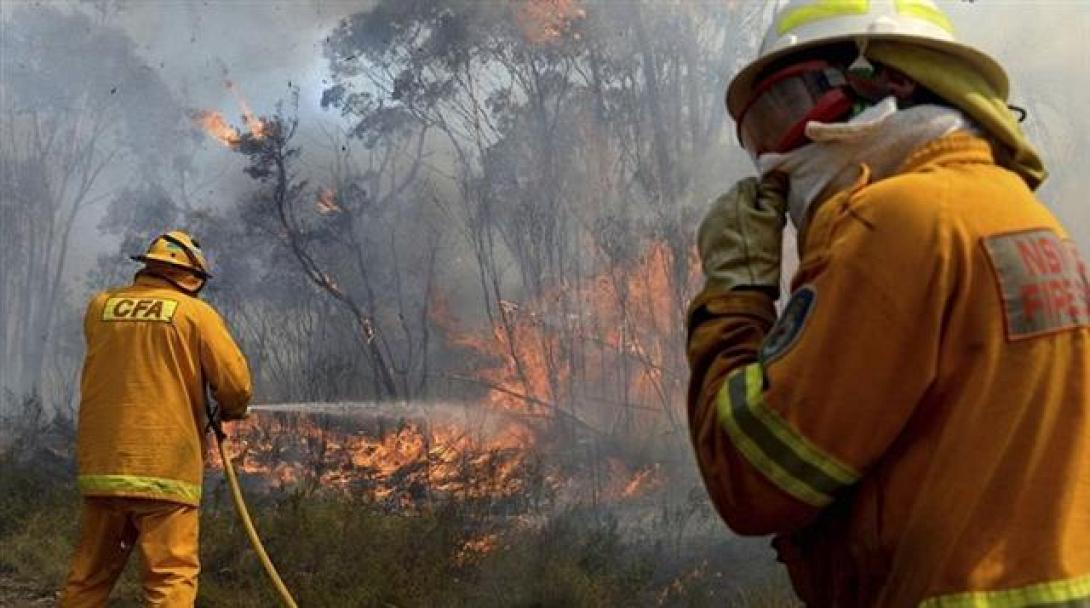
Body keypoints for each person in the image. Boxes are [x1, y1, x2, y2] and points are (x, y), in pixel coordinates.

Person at [686, 1, 1090, 606]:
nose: (774, 156)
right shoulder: (1020, 211)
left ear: (889, 81)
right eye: (760, 129)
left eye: (790, 107)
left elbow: (751, 479)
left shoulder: (893, 221)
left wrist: (735, 292)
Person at [61, 231, 252, 607]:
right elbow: (236, 384)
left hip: (104, 469)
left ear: (148, 267)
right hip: (166, 470)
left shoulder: (100, 306)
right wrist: (232, 409)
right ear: (192, 277)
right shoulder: (195, 314)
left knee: (88, 579)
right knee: (170, 579)